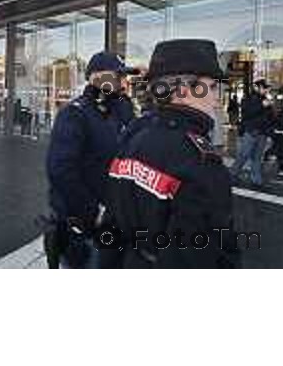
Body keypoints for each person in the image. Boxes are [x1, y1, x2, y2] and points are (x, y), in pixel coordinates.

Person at [105, 39, 238, 269]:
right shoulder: (199, 161)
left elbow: (112, 219)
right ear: (185, 89)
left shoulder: (134, 134)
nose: (217, 99)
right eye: (213, 87)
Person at [44, 51, 137, 269]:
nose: (123, 82)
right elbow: (60, 170)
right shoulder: (74, 115)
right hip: (85, 229)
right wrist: (93, 211)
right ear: (96, 78)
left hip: (117, 223)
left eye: (124, 77)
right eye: (117, 76)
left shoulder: (120, 110)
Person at [231, 79, 272, 187]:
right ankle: (232, 175)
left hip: (262, 133)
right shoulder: (248, 99)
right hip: (251, 132)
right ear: (257, 87)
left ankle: (256, 180)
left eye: (267, 88)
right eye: (264, 87)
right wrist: (262, 106)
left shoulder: (266, 100)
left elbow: (269, 117)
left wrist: (269, 131)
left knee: (257, 158)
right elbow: (247, 113)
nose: (266, 90)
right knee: (243, 155)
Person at [263, 100, 283, 177]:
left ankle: (269, 157)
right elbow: (273, 123)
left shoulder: (280, 113)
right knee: (279, 150)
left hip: (281, 135)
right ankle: (282, 167)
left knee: (278, 149)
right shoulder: (272, 113)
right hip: (278, 134)